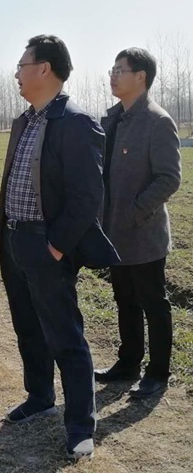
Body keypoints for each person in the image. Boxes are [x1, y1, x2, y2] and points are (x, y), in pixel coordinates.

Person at [0, 35, 119, 459]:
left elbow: (87, 197)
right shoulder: (25, 120)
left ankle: (80, 426)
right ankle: (40, 397)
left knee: (65, 336)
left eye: (21, 65)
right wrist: (2, 232)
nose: (16, 73)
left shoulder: (76, 122)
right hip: (15, 241)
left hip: (46, 245)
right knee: (28, 328)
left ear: (43, 69)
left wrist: (56, 248)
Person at [95, 47, 181, 398]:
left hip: (144, 234)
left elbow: (169, 178)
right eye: (112, 69)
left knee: (153, 303)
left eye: (120, 70)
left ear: (141, 76)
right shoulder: (113, 119)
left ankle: (158, 372)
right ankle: (128, 362)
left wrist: (133, 211)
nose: (113, 76)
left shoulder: (157, 121)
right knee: (124, 300)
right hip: (114, 232)